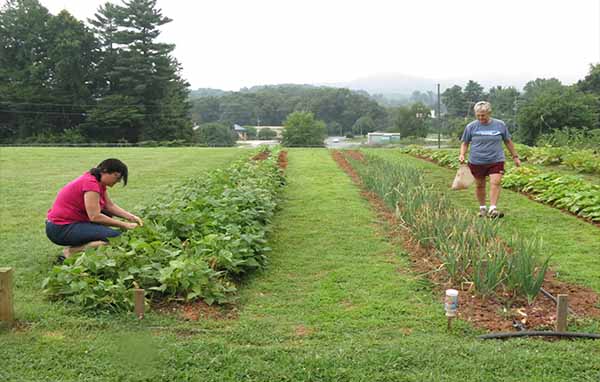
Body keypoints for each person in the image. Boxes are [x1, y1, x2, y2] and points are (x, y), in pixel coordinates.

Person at [46, 158, 143, 262]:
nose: (118, 181)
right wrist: (124, 225)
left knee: (107, 214)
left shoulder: (98, 182)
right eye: (117, 176)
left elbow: (110, 206)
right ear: (105, 171)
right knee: (115, 239)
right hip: (60, 228)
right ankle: (72, 251)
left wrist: (131, 217)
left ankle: (84, 243)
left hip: (67, 224)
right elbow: (95, 216)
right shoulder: (90, 183)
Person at [459, 101, 521, 218]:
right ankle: (482, 208)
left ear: (489, 113)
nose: (480, 118)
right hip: (477, 160)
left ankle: (493, 209)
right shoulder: (471, 127)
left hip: (496, 159)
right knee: (479, 185)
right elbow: (465, 143)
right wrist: (462, 154)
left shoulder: (500, 125)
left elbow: (508, 141)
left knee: (496, 182)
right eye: (478, 115)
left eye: (483, 115)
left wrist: (515, 156)